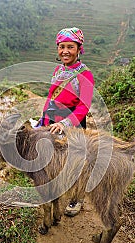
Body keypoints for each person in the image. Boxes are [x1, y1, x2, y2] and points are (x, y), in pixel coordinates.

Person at [36, 27, 94, 216]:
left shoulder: (85, 75)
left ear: (79, 49)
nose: (65, 51)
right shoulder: (57, 70)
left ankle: (77, 198)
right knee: (54, 160)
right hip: (53, 122)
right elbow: (51, 97)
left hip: (73, 124)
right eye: (62, 47)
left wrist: (65, 124)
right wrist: (43, 119)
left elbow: (83, 107)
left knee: (76, 163)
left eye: (70, 47)